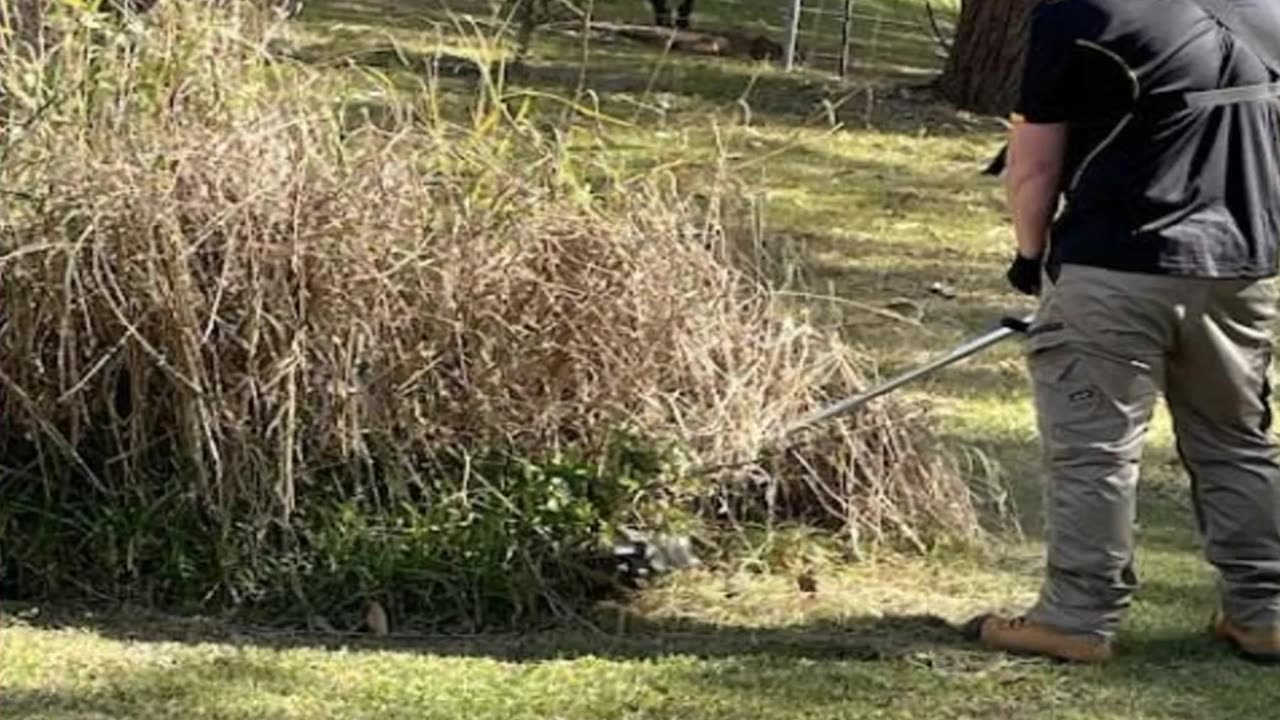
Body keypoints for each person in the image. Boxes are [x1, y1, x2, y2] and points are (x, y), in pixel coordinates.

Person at [968, 0, 1280, 664]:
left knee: (1095, 451)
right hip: (1241, 267)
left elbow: (1033, 167)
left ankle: (1076, 616)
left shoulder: (1083, 13)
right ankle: (1266, 612)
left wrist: (1029, 258)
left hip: (1116, 264)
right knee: (1236, 444)